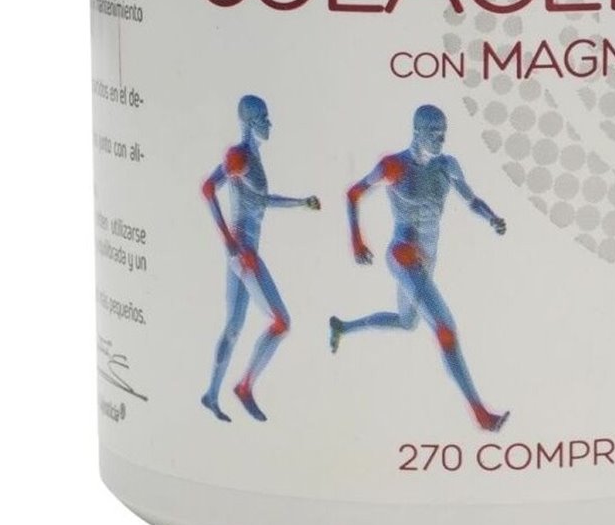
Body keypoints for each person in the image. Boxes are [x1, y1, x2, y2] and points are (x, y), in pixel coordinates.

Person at [330, 104, 509, 431]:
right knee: (445, 327)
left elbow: (471, 200)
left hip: (427, 260)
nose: (441, 139)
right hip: (403, 254)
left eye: (444, 132)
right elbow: (353, 193)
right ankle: (481, 414)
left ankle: (343, 327)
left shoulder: (447, 166)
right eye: (433, 132)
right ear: (417, 131)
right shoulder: (394, 166)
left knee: (407, 322)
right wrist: (357, 241)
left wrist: (491, 217)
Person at [200, 94, 320, 422]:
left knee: (234, 326)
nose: (270, 124)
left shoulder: (251, 158)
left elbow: (262, 201)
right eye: (264, 118)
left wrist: (300, 203)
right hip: (244, 252)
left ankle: (211, 394)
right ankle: (244, 386)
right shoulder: (239, 156)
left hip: (242, 253)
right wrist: (228, 240)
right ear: (250, 122)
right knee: (282, 322)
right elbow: (209, 189)